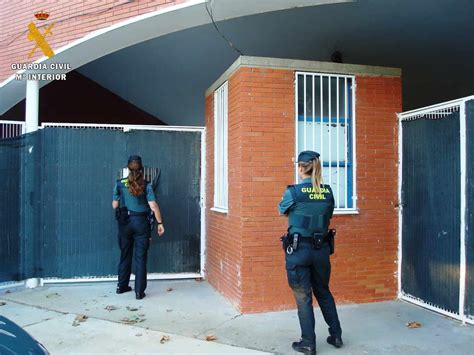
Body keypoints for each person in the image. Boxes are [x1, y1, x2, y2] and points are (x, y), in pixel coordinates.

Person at [278, 150, 343, 355]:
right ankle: (336, 335)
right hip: (321, 250)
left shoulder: (293, 192)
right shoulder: (328, 192)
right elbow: (328, 214)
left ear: (300, 168)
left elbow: (282, 210)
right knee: (323, 291)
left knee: (303, 296)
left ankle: (308, 343)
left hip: (299, 251)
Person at [112, 155, 165, 300]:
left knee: (125, 254)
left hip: (125, 223)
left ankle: (122, 287)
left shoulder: (119, 183)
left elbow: (115, 205)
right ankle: (139, 292)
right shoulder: (146, 184)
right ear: (141, 168)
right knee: (140, 258)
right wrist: (160, 223)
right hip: (141, 223)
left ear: (128, 168)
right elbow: (153, 206)